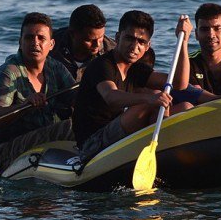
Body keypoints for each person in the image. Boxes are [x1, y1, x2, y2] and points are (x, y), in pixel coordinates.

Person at [72, 10, 193, 162]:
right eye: (129, 38)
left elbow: (179, 84)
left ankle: (163, 151)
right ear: (117, 38)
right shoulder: (102, 65)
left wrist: (183, 41)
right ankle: (161, 153)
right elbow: (111, 97)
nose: (134, 46)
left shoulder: (136, 68)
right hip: (92, 144)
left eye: (141, 42)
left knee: (185, 108)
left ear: (148, 46)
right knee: (151, 100)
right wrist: (150, 98)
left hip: (119, 136)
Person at [0, 12, 77, 173]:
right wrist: (25, 105)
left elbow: (79, 100)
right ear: (20, 42)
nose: (35, 43)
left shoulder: (56, 68)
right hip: (7, 149)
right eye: (29, 38)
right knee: (71, 127)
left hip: (43, 142)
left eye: (41, 38)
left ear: (51, 44)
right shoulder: (8, 72)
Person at [51, 4, 116, 82]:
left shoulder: (113, 51)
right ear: (72, 34)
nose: (97, 45)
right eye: (90, 40)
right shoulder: (49, 46)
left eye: (101, 37)